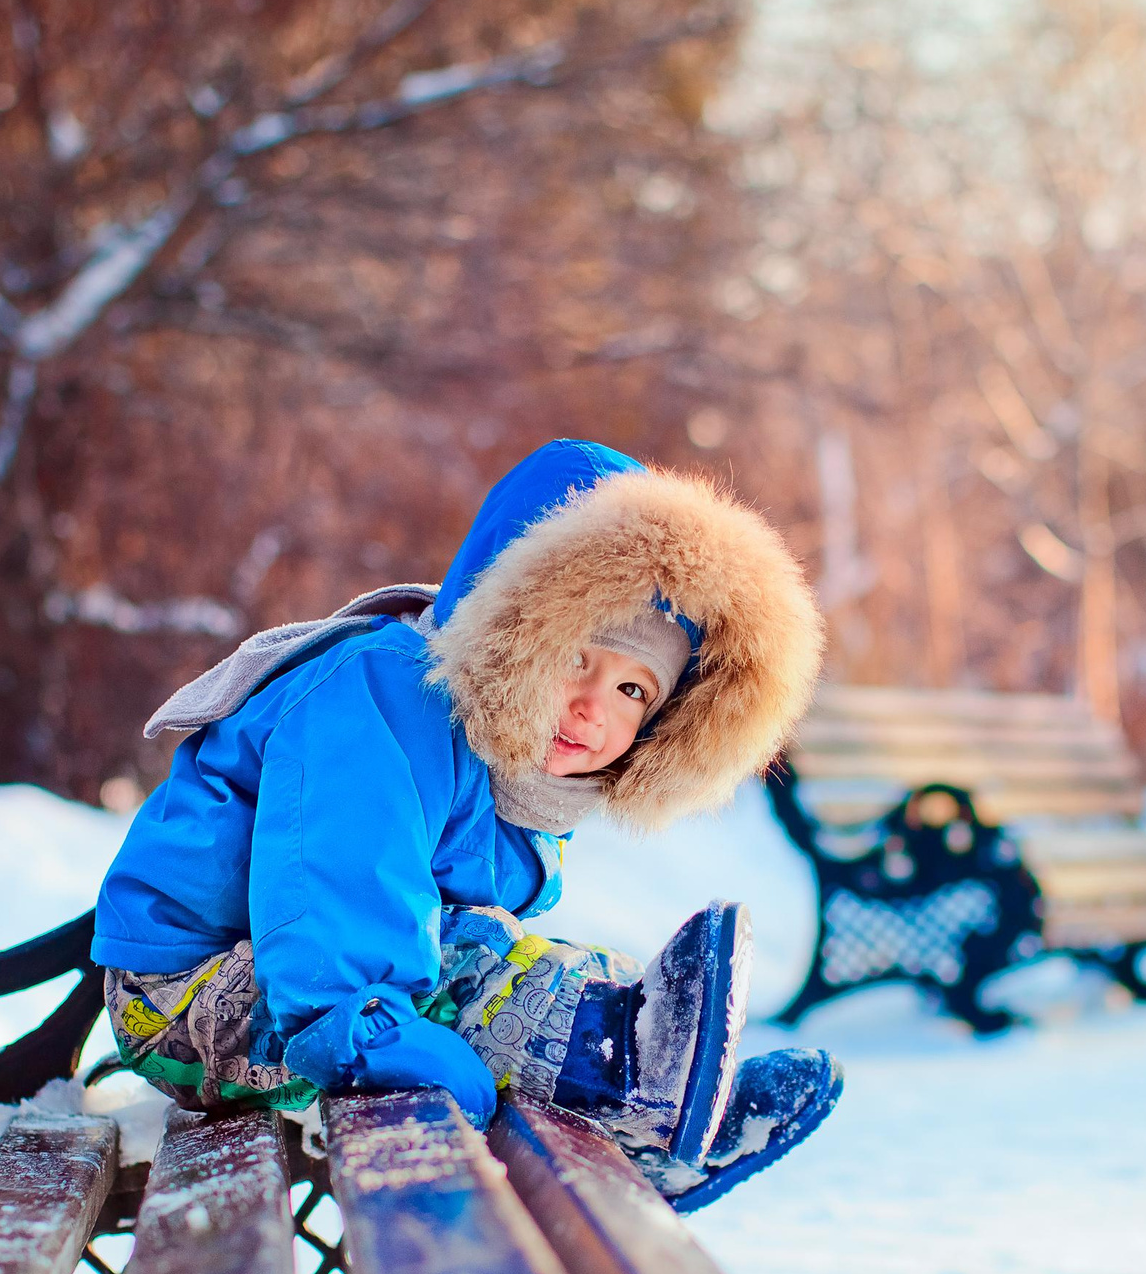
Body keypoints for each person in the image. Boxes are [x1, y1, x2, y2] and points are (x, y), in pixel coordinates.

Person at [91, 439, 834, 1210]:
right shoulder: (388, 689)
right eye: (577, 658)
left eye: (632, 689)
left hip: (291, 983)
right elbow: (343, 875)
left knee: (528, 959)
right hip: (189, 1000)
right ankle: (632, 1081)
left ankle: (654, 1097)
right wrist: (369, 1032)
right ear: (513, 634)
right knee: (476, 962)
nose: (593, 706)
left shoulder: (510, 768)